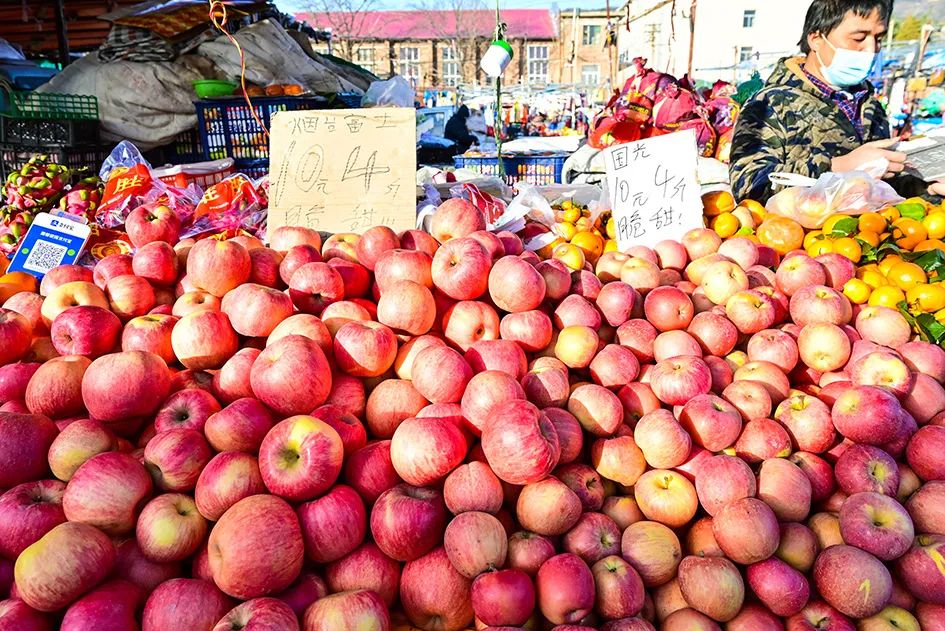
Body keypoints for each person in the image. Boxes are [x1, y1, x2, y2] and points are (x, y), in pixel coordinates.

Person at [729, 0, 942, 202]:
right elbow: (749, 186)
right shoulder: (770, 105)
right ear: (816, 39)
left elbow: (883, 190)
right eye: (859, 38)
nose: (871, 49)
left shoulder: (872, 108)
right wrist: (839, 167)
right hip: (806, 238)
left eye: (878, 39)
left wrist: (927, 186)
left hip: (870, 235)